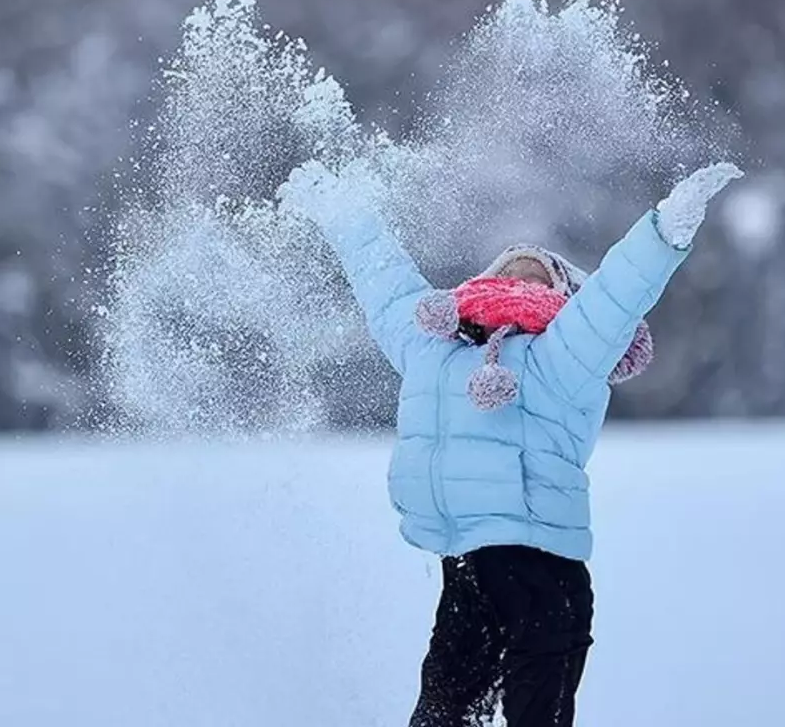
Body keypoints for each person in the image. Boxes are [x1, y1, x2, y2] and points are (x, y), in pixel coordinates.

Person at [277, 158, 743, 727]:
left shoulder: (565, 354)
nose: (521, 279)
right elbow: (386, 284)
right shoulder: (434, 349)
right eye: (508, 272)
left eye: (539, 276)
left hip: (544, 571)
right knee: (441, 714)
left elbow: (616, 296)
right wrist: (344, 214)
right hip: (467, 568)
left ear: (566, 298)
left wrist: (665, 230)